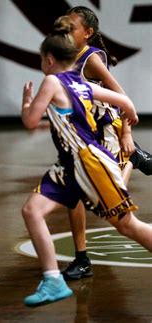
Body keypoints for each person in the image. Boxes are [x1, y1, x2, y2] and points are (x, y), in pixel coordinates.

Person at [20, 16, 152, 307]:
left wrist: (27, 102)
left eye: (42, 59)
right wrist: (129, 119)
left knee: (127, 225)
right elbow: (125, 102)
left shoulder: (51, 81)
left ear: (50, 59)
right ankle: (53, 279)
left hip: (88, 163)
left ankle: (53, 278)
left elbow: (30, 122)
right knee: (31, 211)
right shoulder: (80, 83)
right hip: (70, 166)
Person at [59, 6, 152, 281]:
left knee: (115, 211)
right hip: (81, 135)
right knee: (72, 193)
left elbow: (124, 98)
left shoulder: (90, 59)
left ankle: (132, 158)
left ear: (87, 33)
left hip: (107, 133)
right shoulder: (65, 56)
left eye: (71, 26)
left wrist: (126, 135)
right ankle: (82, 258)